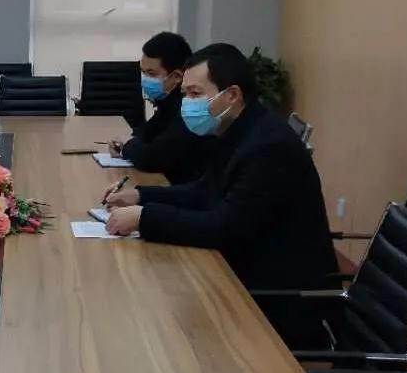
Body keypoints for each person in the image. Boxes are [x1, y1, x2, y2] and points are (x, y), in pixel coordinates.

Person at [103, 43, 338, 290]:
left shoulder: (268, 146)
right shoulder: (236, 129)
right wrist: (140, 196)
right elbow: (204, 190)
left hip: (278, 292)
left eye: (195, 94)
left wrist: (144, 218)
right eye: (185, 94)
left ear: (232, 95)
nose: (187, 103)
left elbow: (224, 228)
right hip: (246, 267)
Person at [107, 31, 207, 184]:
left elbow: (153, 158)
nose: (144, 80)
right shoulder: (167, 102)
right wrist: (127, 142)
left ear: (176, 76)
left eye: (151, 74)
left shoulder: (189, 108)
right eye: (143, 72)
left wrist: (126, 147)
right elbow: (146, 131)